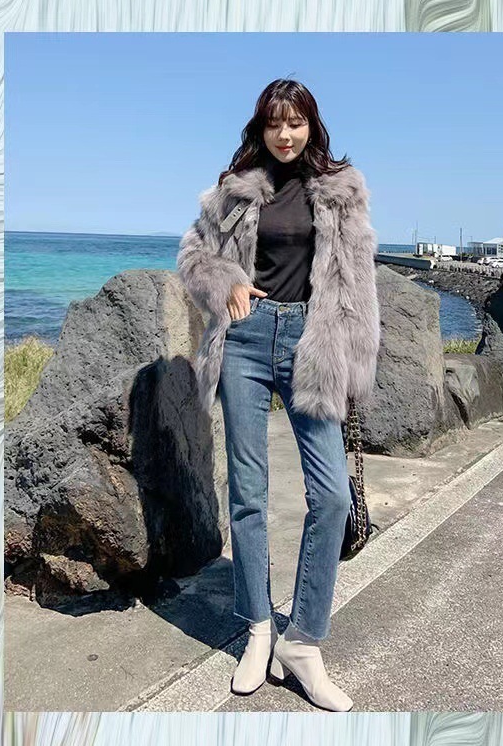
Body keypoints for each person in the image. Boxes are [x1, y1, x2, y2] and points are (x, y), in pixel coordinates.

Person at [175, 78, 380, 711]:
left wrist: (353, 361)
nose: (284, 134)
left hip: (311, 343)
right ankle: (259, 628)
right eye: (273, 123)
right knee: (249, 492)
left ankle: (303, 642)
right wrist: (228, 282)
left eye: (295, 122)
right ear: (260, 128)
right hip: (244, 338)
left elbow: (358, 281)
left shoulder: (340, 190)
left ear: (311, 125)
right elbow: (193, 256)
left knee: (332, 495)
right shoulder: (236, 188)